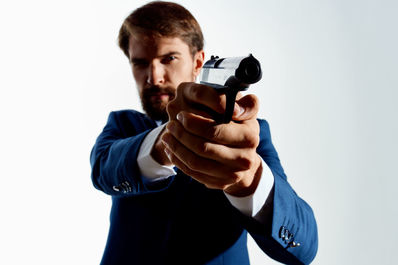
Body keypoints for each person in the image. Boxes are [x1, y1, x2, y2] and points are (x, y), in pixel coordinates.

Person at [90, 1, 318, 264]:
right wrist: (168, 141)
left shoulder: (248, 137)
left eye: (169, 58)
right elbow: (103, 171)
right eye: (140, 63)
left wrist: (250, 180)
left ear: (198, 62)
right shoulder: (123, 125)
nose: (154, 76)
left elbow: (304, 245)